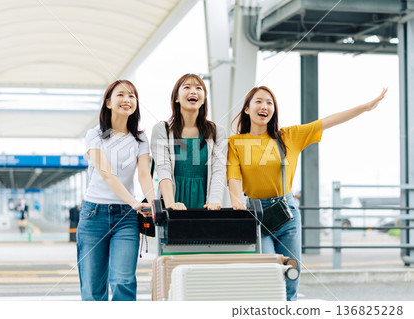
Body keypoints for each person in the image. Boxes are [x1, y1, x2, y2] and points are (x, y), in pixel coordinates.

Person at [227, 86, 387, 301]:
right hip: (257, 215)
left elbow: (328, 121)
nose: (264, 106)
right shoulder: (236, 143)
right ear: (247, 109)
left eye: (270, 102)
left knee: (292, 272)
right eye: (258, 101)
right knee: (270, 271)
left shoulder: (289, 136)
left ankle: (289, 308)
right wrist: (237, 204)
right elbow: (233, 178)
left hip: (287, 212)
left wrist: (366, 107)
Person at [77, 80, 154, 301]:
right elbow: (106, 174)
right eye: (121, 95)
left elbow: (144, 175)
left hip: (126, 219)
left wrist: (152, 203)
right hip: (93, 215)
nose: (127, 99)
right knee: (93, 289)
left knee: (123, 281)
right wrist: (134, 202)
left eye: (132, 95)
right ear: (108, 103)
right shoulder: (95, 135)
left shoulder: (139, 139)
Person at [151, 73, 227, 210]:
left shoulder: (217, 131)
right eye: (187, 87)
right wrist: (170, 204)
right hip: (173, 199)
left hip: (205, 203)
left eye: (199, 88)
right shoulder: (162, 129)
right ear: (176, 98)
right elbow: (163, 169)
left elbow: (219, 171)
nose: (193, 91)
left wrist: (214, 202)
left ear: (203, 99)